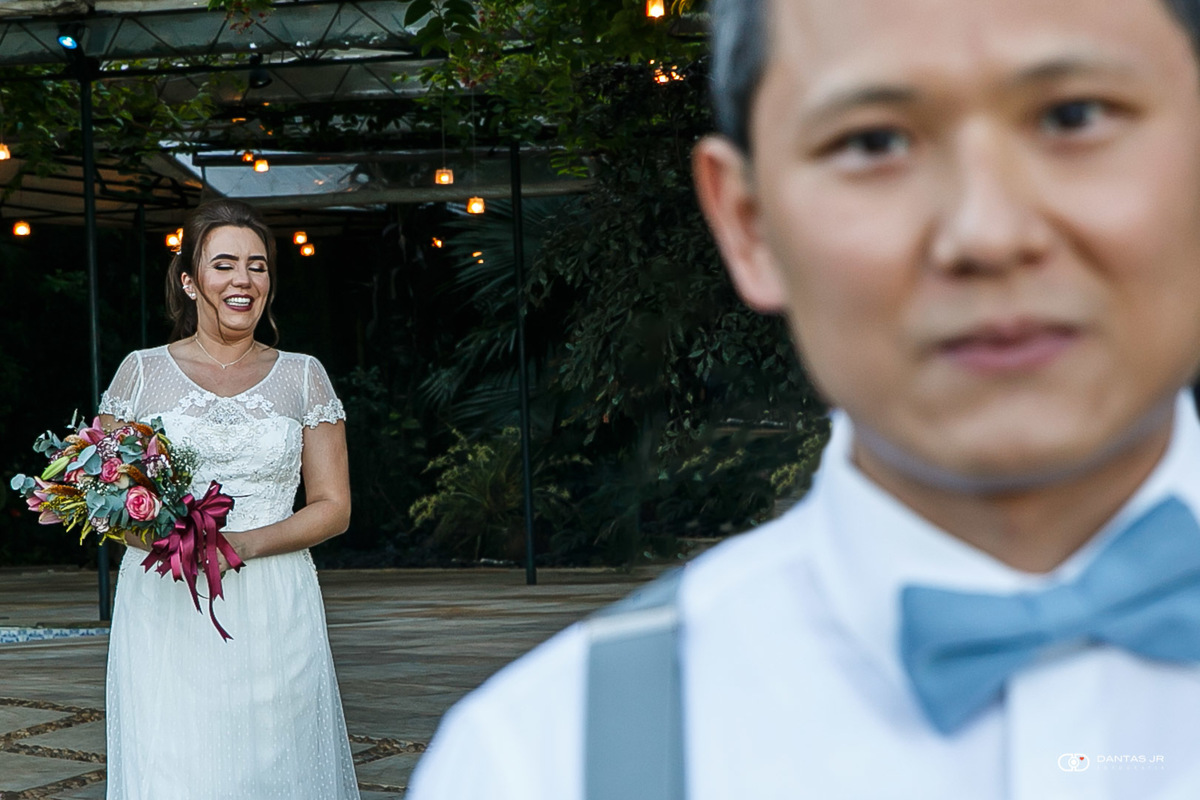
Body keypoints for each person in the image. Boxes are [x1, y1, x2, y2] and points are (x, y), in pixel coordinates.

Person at [407, 0, 1200, 797]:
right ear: (749, 225)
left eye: (1075, 116)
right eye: (873, 141)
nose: (987, 233)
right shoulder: (539, 761)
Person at [98, 199, 359, 799]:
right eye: (224, 265)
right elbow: (106, 501)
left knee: (274, 765)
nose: (244, 280)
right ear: (190, 280)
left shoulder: (303, 376)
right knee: (175, 764)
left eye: (258, 266)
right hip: (167, 598)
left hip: (273, 599)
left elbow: (333, 506)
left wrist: (240, 543)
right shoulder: (140, 374)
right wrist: (170, 541)